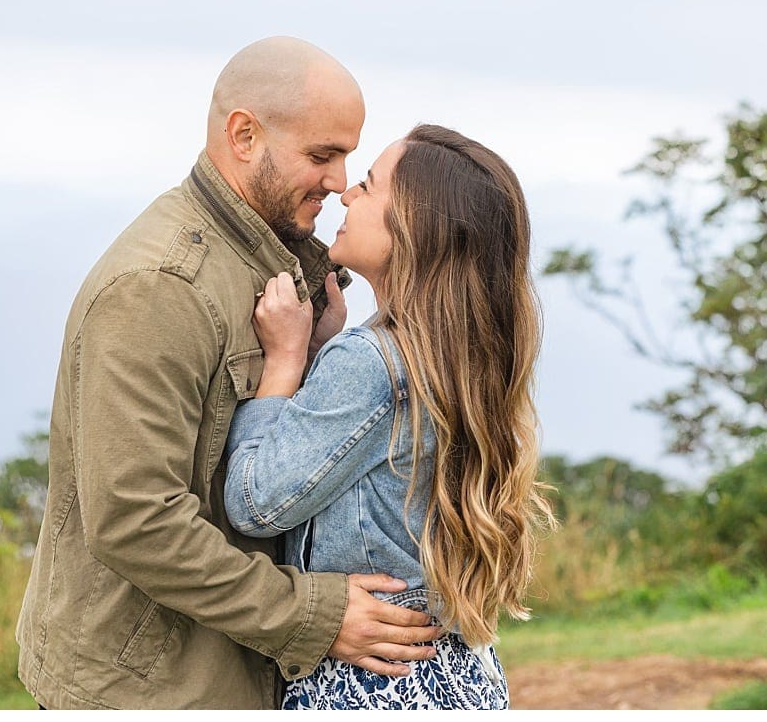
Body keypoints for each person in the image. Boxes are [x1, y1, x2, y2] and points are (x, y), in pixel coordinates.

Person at [16, 37, 442, 709]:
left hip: (226, 674)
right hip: (147, 691)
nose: (338, 181)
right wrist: (314, 616)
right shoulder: (159, 289)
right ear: (244, 135)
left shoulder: (282, 259)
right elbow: (135, 518)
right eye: (321, 155)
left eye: (348, 159)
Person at [223, 124, 555, 710]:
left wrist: (285, 361)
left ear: (414, 227)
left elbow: (255, 504)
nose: (347, 193)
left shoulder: (370, 363)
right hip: (456, 674)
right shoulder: (457, 357)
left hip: (377, 681)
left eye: (370, 186)